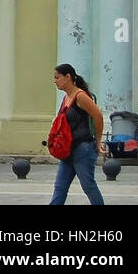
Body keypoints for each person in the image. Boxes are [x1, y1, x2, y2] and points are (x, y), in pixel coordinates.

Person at [48, 62, 105, 205]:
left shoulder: (80, 96)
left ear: (68, 77)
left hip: (82, 148)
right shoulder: (66, 98)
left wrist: (98, 141)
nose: (55, 81)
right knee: (60, 187)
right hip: (68, 149)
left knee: (88, 185)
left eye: (57, 77)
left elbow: (98, 116)